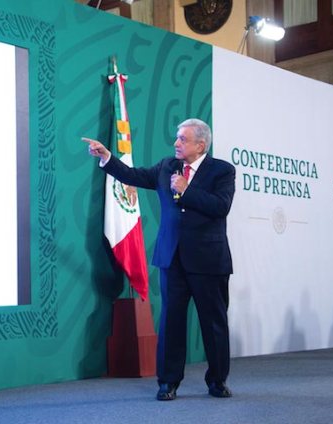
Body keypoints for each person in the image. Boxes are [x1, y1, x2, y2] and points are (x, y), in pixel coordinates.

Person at [83, 118, 236, 401]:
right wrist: (107, 158)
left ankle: (217, 380)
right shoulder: (167, 166)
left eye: (183, 139)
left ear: (201, 145)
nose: (176, 143)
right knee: (171, 322)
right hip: (172, 258)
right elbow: (134, 176)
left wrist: (187, 190)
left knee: (213, 323)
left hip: (208, 261)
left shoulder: (222, 171)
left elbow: (221, 207)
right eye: (177, 137)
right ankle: (168, 382)